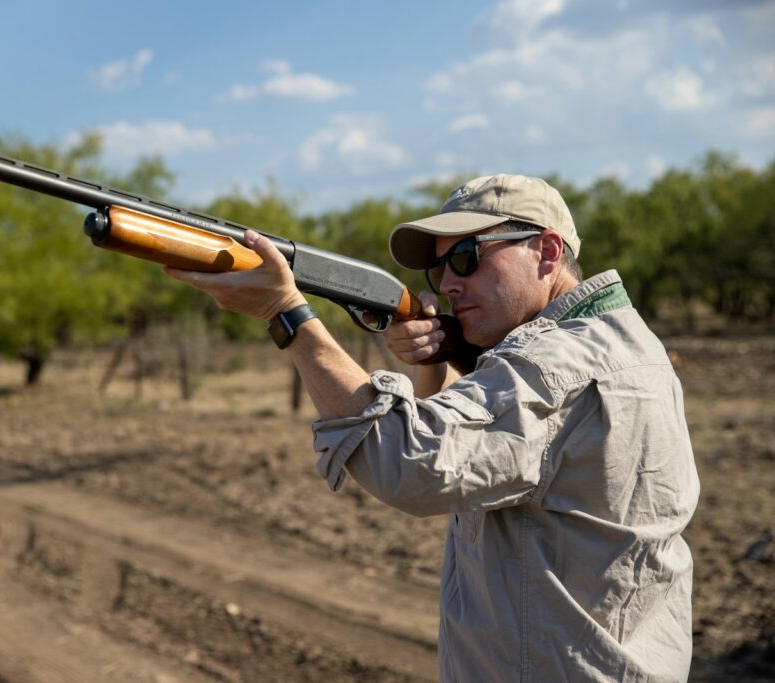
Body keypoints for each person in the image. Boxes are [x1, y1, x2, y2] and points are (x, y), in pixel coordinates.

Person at [164, 174, 699, 682]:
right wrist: (434, 366)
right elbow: (485, 457)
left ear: (548, 252)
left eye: (466, 259)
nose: (446, 285)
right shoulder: (617, 339)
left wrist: (287, 314)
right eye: (438, 271)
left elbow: (405, 463)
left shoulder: (555, 365)